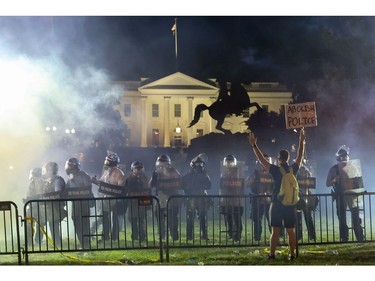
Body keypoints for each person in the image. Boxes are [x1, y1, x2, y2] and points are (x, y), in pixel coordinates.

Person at [247, 128, 306, 261]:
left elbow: (261, 159)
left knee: (275, 231)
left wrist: (254, 145)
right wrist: (302, 141)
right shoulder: (293, 169)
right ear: (288, 158)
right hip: (290, 204)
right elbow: (300, 156)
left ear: (278, 159)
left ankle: (272, 255)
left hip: (277, 204)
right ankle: (292, 254)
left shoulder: (274, 170)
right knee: (291, 231)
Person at [326, 145, 365, 242]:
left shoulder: (352, 167)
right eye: (342, 156)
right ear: (339, 157)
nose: (344, 158)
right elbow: (327, 183)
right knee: (342, 218)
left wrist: (360, 189)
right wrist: (334, 180)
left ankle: (360, 237)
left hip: (352, 196)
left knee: (356, 217)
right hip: (340, 196)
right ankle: (344, 238)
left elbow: (359, 181)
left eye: (345, 156)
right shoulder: (334, 169)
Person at [91, 151, 126, 242]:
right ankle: (105, 237)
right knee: (105, 218)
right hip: (106, 198)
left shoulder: (119, 173)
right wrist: (95, 181)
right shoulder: (106, 172)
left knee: (115, 219)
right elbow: (101, 183)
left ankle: (114, 237)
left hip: (115, 199)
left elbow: (120, 188)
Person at [149, 154, 182, 241]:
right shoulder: (156, 173)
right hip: (160, 197)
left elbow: (179, 183)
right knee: (159, 216)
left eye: (164, 163)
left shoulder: (174, 171)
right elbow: (151, 185)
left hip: (172, 196)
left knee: (173, 217)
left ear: (168, 164)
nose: (162, 166)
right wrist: (153, 178)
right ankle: (161, 235)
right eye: (160, 163)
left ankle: (174, 235)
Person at [64, 157, 94, 250]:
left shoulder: (83, 175)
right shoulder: (70, 177)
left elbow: (88, 189)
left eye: (69, 165)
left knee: (84, 224)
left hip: (83, 204)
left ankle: (86, 245)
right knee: (76, 223)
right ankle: (82, 243)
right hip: (75, 204)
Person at [181, 153, 212, 240]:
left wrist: (203, 180)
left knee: (203, 216)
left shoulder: (204, 175)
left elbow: (209, 185)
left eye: (200, 164)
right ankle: (189, 235)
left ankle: (204, 235)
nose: (199, 166)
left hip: (202, 197)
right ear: (193, 165)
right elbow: (182, 184)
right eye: (197, 164)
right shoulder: (188, 175)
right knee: (190, 217)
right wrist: (189, 187)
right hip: (191, 198)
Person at [246, 154, 273, 242]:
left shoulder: (271, 173)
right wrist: (254, 178)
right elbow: (247, 184)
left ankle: (275, 236)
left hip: (269, 201)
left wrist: (270, 193)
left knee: (271, 220)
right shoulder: (255, 173)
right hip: (257, 201)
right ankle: (257, 237)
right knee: (257, 220)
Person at [219, 154, 245, 242]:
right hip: (227, 200)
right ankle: (230, 233)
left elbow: (241, 186)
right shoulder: (224, 173)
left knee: (237, 218)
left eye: (230, 162)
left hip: (236, 200)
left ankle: (237, 235)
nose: (229, 164)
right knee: (228, 217)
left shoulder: (238, 172)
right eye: (227, 162)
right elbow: (221, 187)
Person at [41, 162, 66, 249]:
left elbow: (57, 193)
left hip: (55, 207)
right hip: (51, 207)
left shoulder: (57, 180)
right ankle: (56, 243)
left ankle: (57, 244)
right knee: (52, 225)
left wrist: (45, 196)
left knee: (54, 225)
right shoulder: (52, 180)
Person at [124, 161, 151, 242]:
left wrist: (148, 204)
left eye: (140, 168)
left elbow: (149, 190)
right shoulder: (129, 179)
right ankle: (135, 236)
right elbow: (127, 190)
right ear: (133, 169)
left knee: (141, 219)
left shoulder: (146, 178)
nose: (139, 170)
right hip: (132, 202)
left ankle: (142, 236)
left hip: (142, 202)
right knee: (132, 219)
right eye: (136, 168)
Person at [23, 167, 46, 247]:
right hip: (32, 207)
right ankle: (32, 241)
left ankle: (36, 241)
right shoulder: (32, 183)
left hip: (37, 206)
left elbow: (42, 194)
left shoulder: (42, 183)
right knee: (31, 225)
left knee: (39, 224)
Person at [296, 160, 317, 241]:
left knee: (308, 217)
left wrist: (306, 196)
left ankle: (312, 236)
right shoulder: (295, 171)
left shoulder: (306, 171)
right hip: (298, 196)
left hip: (306, 196)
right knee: (298, 217)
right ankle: (299, 235)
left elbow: (309, 183)